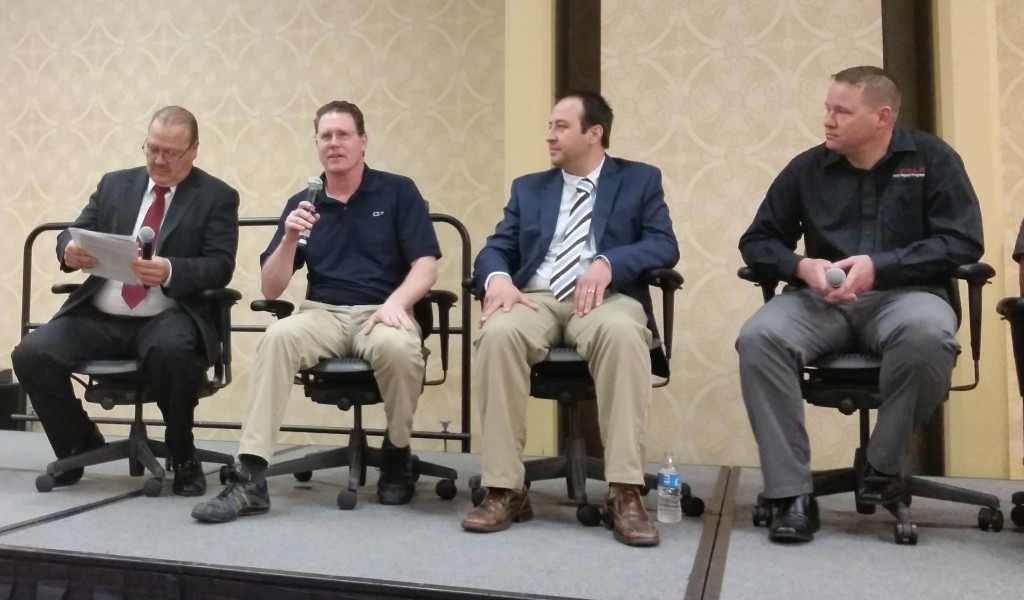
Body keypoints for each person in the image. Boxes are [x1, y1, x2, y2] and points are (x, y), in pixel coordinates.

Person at [736, 66, 984, 543]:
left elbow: (963, 242)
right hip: (819, 303)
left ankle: (883, 466)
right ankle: (791, 494)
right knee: (759, 337)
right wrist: (801, 267)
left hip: (906, 297)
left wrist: (882, 265)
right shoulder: (807, 168)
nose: (827, 120)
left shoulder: (932, 159)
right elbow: (759, 240)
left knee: (930, 335)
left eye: (841, 111)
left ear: (882, 117)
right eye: (827, 109)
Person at [191, 100, 440, 523]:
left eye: (344, 134)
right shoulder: (304, 203)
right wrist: (289, 238)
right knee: (276, 337)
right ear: (317, 144)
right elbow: (271, 287)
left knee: (400, 349)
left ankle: (397, 453)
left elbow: (427, 265)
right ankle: (250, 475)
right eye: (325, 136)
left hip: (380, 311)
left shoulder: (397, 191)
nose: (334, 143)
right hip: (322, 313)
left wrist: (398, 303)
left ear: (363, 141)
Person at [462, 90, 679, 547]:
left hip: (606, 296)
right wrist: (498, 277)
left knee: (623, 333)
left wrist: (609, 262)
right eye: (550, 126)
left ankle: (624, 490)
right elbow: (498, 245)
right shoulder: (530, 187)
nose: (549, 135)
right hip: (536, 297)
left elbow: (663, 245)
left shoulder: (639, 180)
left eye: (560, 126)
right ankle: (504, 488)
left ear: (593, 133)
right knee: (497, 332)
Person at [12, 106, 240, 497]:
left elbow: (219, 266)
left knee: (173, 351)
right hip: (101, 315)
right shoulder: (115, 185)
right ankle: (79, 443)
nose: (159, 159)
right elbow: (72, 233)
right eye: (152, 149)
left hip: (167, 315)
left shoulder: (216, 196)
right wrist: (69, 250)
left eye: (171, 152)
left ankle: (183, 455)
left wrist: (170, 270)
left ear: (194, 151)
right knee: (31, 353)